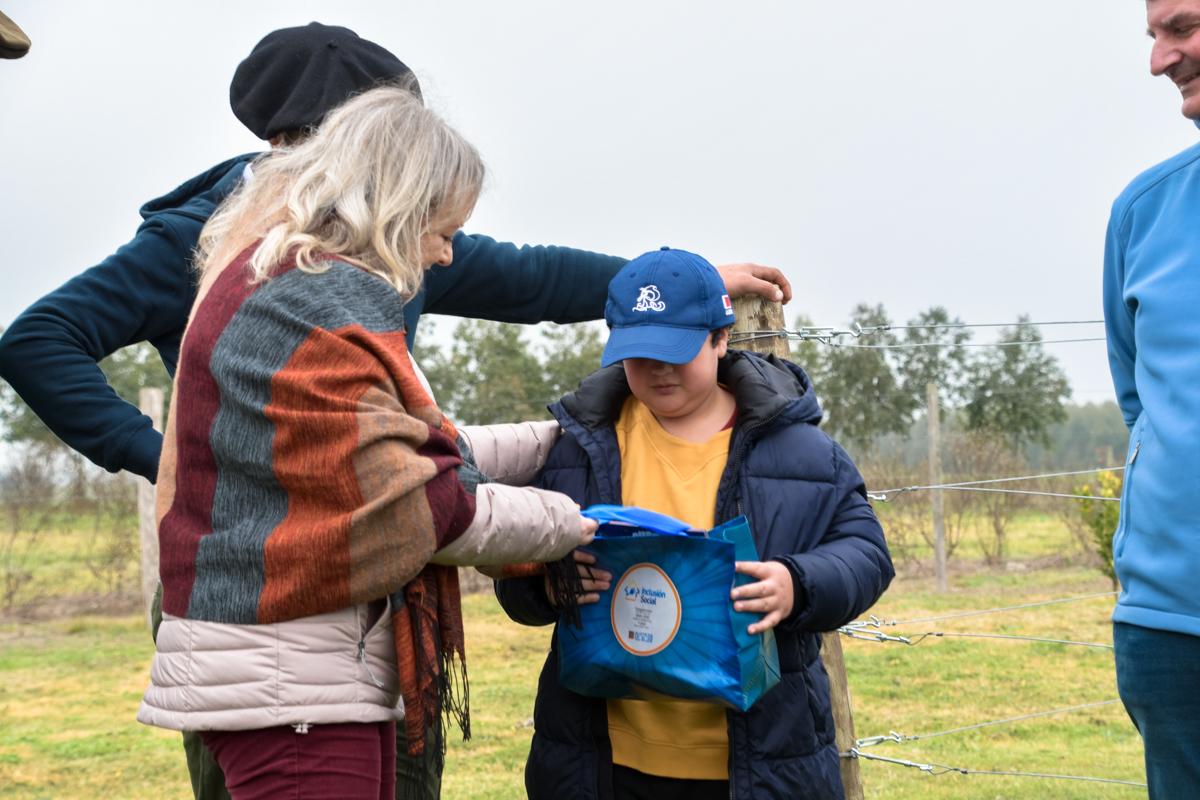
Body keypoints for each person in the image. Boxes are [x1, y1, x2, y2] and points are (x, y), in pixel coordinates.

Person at [0, 22, 789, 800]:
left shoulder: (390, 237)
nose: (444, 250)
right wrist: (175, 455)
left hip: (377, 586)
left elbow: (529, 280)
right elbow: (40, 339)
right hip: (251, 587)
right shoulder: (236, 246)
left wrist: (668, 282)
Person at [136, 85, 601, 800]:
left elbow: (408, 450)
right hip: (291, 684)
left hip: (305, 668)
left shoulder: (282, 283)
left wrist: (561, 439)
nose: (447, 255)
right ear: (398, 207)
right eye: (443, 230)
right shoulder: (314, 307)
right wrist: (582, 524)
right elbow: (423, 506)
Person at [495, 247, 893, 799]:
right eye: (639, 354)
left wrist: (795, 585)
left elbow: (867, 553)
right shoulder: (576, 450)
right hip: (604, 766)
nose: (658, 369)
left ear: (720, 338)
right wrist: (548, 581)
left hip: (760, 767)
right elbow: (514, 575)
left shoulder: (800, 451)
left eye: (676, 351)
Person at [1104, 2, 1200, 795]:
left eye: (1184, 27)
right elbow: (1143, 404)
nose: (1161, 60)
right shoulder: (1144, 213)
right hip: (1171, 635)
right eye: (1154, 36)